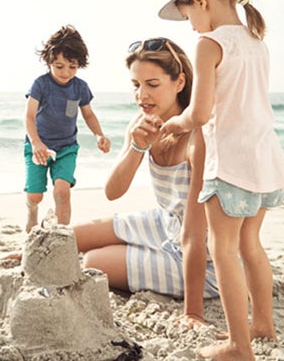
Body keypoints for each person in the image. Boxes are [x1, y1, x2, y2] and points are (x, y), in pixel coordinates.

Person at [157, 0, 284, 359]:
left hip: (231, 163)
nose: (192, 27)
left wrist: (172, 124)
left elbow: (199, 114)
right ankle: (263, 324)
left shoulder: (209, 45)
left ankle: (238, 346)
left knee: (223, 249)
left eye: (189, 17)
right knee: (251, 244)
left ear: (200, 1)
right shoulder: (256, 40)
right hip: (265, 159)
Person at [73, 37, 219, 330]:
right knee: (73, 236)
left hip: (203, 257)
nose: (142, 95)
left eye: (152, 85)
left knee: (94, 261)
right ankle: (27, 254)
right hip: (164, 222)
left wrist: (193, 313)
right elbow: (113, 192)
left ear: (179, 82)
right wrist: (138, 146)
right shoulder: (141, 123)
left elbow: (195, 233)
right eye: (136, 85)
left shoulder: (197, 138)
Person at [23, 25, 110, 232]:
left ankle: (62, 234)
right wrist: (36, 142)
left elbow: (88, 114)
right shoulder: (40, 85)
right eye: (59, 66)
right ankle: (32, 213)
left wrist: (99, 134)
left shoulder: (79, 87)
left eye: (72, 66)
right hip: (39, 147)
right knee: (35, 195)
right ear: (49, 62)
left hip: (67, 148)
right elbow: (28, 116)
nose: (66, 72)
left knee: (62, 192)